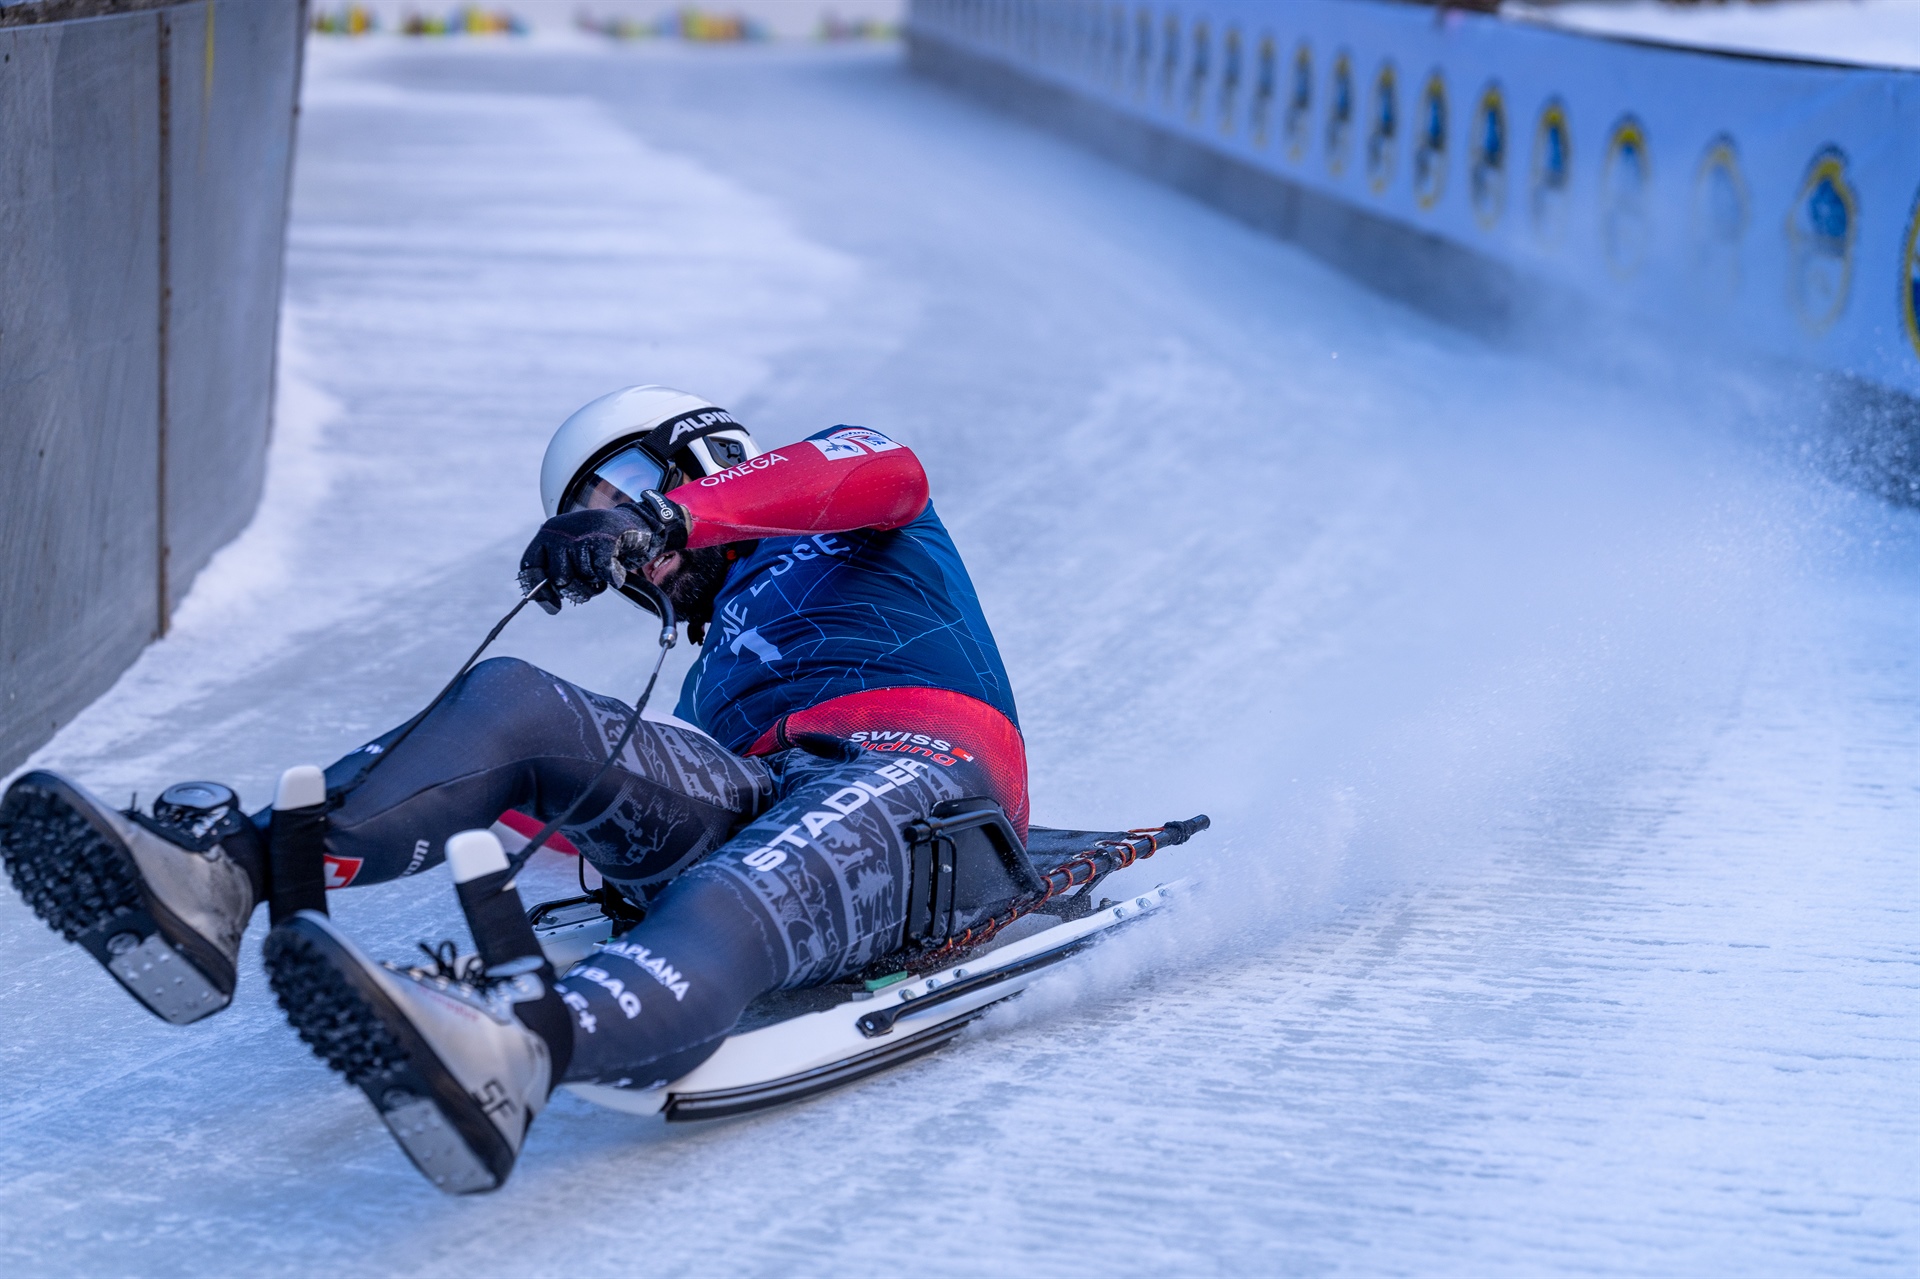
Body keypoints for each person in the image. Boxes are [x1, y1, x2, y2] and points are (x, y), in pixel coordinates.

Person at [0, 385, 1027, 1193]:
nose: (635, 559)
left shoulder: (854, 505)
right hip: (767, 785)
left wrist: (669, 519)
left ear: (702, 452)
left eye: (615, 493)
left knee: (731, 882)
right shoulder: (713, 677)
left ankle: (521, 1047)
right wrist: (489, 783)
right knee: (516, 704)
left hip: (925, 779)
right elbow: (574, 797)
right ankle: (227, 877)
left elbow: (885, 469)